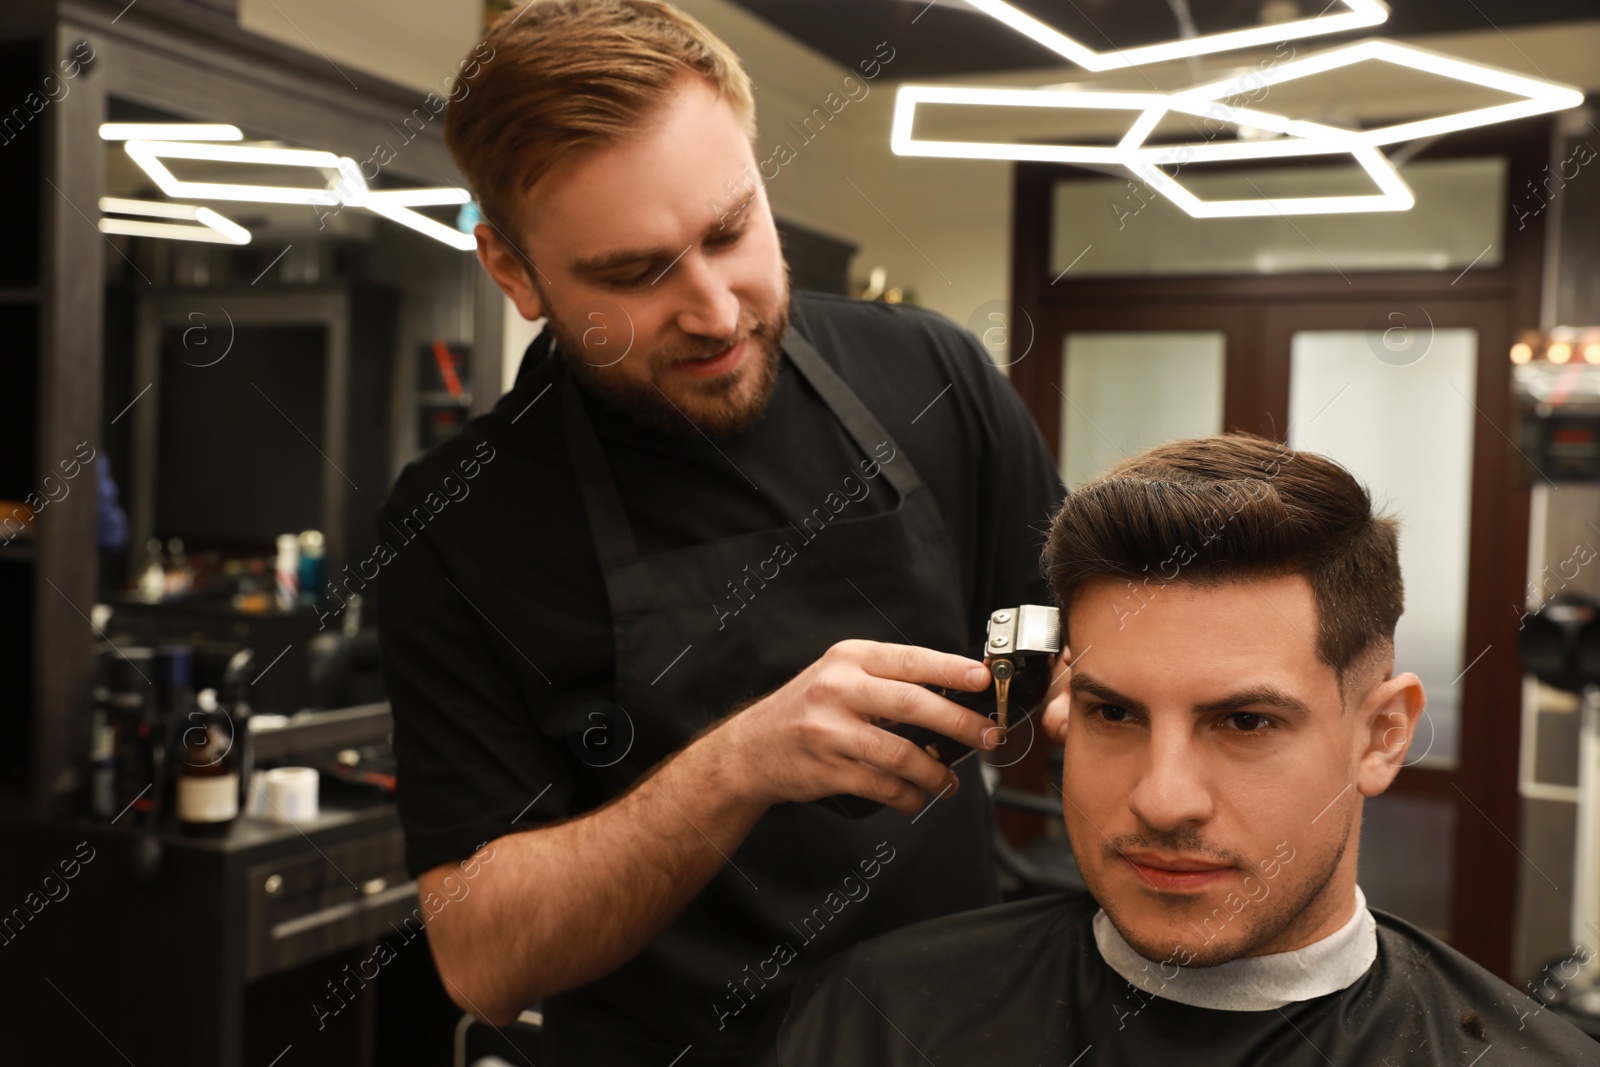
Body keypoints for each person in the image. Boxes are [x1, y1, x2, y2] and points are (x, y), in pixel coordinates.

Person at [372, 1, 1066, 1063]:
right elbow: (481, 957)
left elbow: (1070, 657)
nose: (715, 310)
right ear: (513, 272)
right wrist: (740, 763)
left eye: (731, 231)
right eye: (633, 273)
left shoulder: (930, 375)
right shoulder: (460, 521)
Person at [770, 434, 1600, 1066]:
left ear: (1382, 735)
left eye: (1244, 723)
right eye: (1114, 713)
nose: (1163, 800)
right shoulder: (875, 1022)